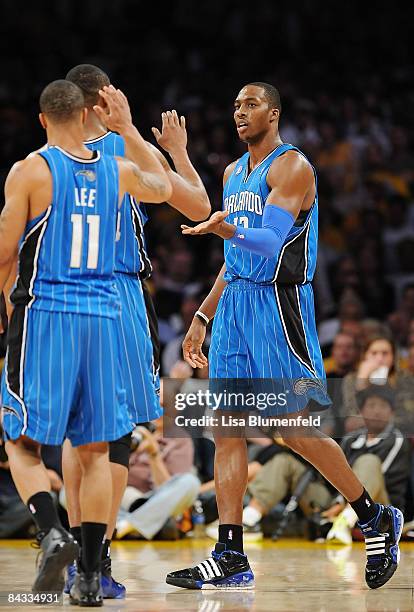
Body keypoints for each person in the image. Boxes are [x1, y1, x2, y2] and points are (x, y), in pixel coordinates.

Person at [166, 82, 403, 591]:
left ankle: (372, 514)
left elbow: (271, 240)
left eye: (250, 105)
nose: (239, 113)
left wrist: (224, 231)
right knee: (226, 428)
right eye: (234, 106)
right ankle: (230, 554)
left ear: (273, 114)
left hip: (280, 305)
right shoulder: (232, 173)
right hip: (235, 308)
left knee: (293, 427)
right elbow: (234, 264)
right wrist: (204, 315)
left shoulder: (293, 167)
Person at [0, 79, 171, 604]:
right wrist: (130, 131)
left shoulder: (30, 170)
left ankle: (52, 530)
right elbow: (165, 188)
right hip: (105, 316)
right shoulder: (117, 170)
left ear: (43, 117)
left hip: (48, 314)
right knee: (97, 451)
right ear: (85, 116)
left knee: (21, 441)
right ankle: (92, 575)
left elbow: (5, 255)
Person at [60, 64, 210, 598]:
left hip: (58, 297)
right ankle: (96, 564)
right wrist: (154, 142)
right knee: (116, 435)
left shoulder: (45, 159)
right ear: (104, 101)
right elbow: (196, 205)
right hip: (115, 294)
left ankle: (79, 558)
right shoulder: (119, 152)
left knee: (80, 438)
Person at [325, 385, 411, 545]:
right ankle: (262, 516)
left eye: (383, 406)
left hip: (381, 506)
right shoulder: (349, 440)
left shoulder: (398, 441)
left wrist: (341, 504)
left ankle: (344, 521)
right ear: (362, 411)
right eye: (371, 406)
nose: (377, 411)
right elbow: (336, 474)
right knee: (288, 464)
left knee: (369, 462)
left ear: (391, 412)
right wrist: (336, 502)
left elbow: (375, 478)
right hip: (344, 500)